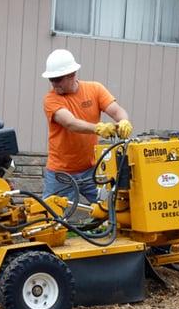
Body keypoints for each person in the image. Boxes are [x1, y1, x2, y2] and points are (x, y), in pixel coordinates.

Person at [41, 49, 133, 203]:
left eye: (58, 79)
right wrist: (98, 128)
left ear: (72, 74)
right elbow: (70, 123)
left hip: (91, 170)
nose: (54, 84)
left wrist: (124, 121)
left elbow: (117, 111)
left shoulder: (95, 89)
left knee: (110, 209)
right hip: (61, 173)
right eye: (51, 79)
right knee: (53, 218)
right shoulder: (51, 99)